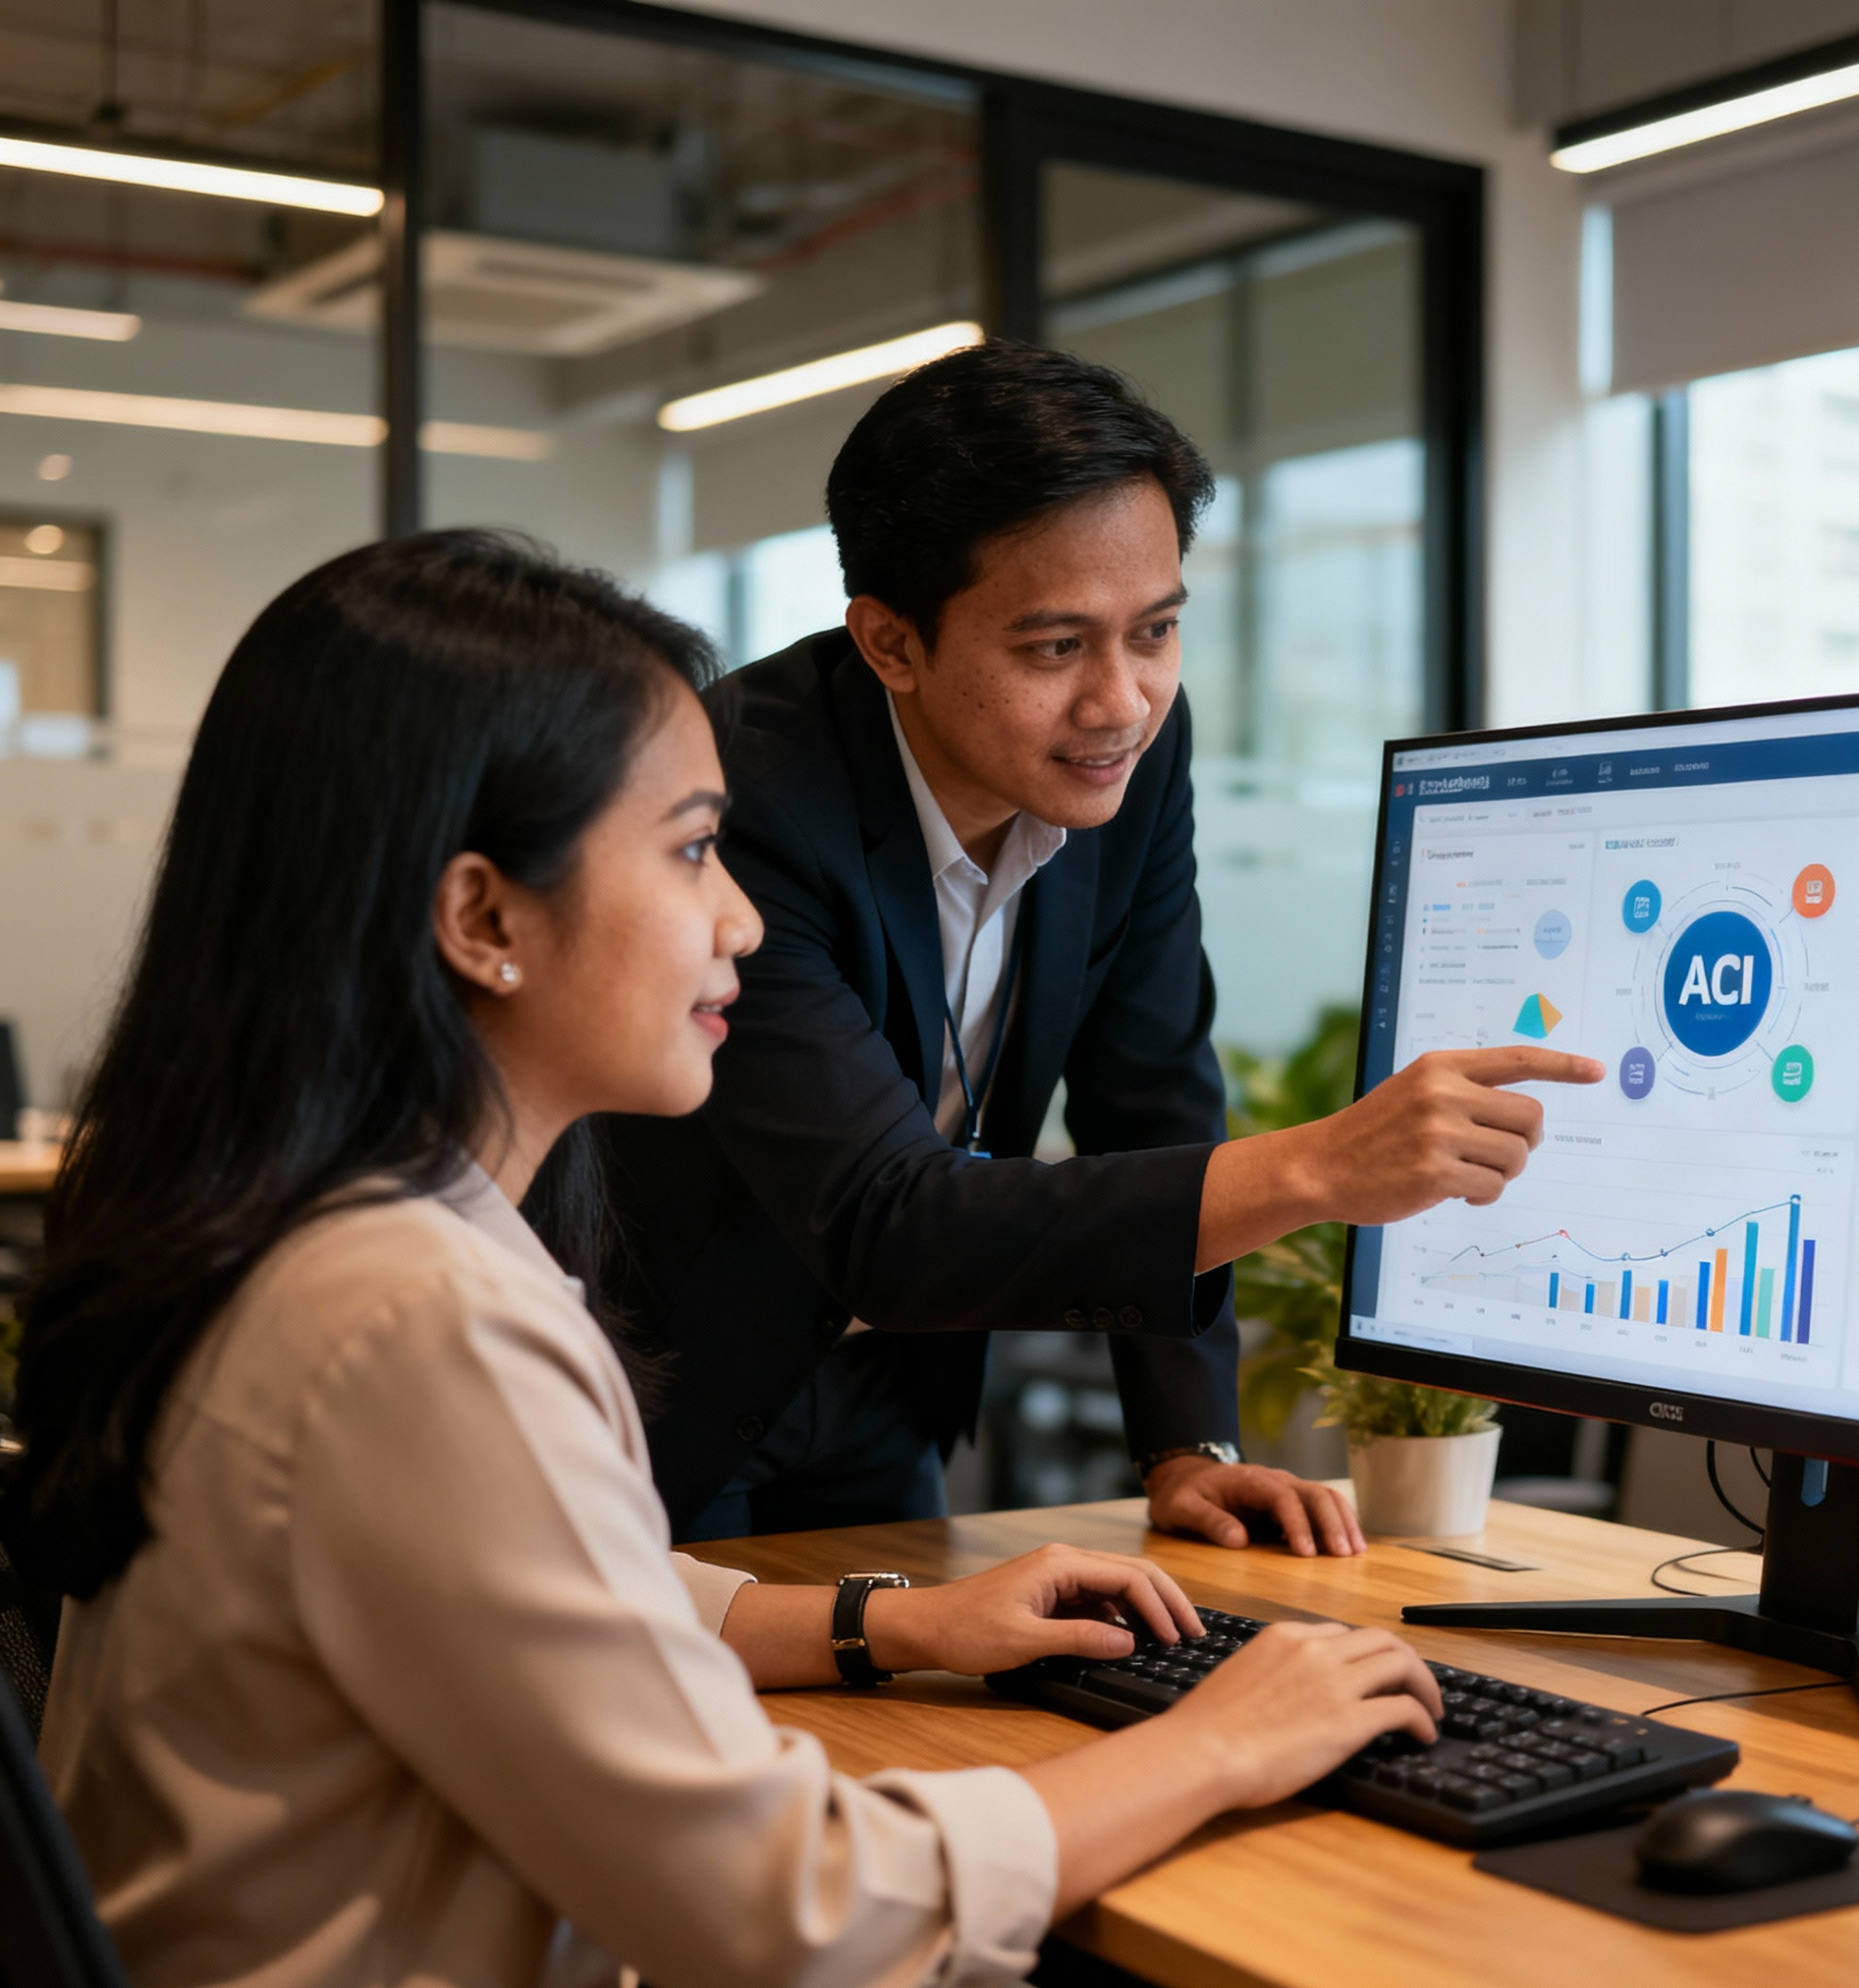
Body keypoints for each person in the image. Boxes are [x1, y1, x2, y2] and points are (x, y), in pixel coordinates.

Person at [1, 533, 1447, 1988]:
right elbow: (790, 1915)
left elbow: (529, 1590)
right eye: (694, 849)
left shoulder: (295, 1234)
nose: (742, 919)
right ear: (485, 919)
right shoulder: (409, 1319)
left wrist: (887, 1622)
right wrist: (1220, 1740)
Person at [607, 341, 1602, 1548]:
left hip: (889, 1391)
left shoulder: (1123, 757)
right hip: (665, 1390)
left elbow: (1150, 1087)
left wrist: (1184, 1441)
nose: (1121, 699)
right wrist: (1318, 1166)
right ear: (890, 643)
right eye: (1054, 646)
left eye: (1156, 631)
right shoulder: (739, 789)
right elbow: (885, 1219)